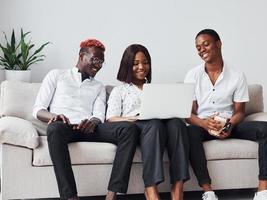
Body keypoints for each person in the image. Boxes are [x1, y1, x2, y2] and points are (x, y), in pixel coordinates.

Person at [33, 39, 139, 200]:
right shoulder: (57, 75)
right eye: (95, 59)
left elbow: (98, 114)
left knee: (129, 129)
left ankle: (112, 194)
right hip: (65, 126)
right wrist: (54, 117)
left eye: (101, 62)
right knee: (54, 129)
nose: (98, 65)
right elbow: (38, 109)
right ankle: (71, 196)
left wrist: (94, 121)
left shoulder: (98, 86)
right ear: (82, 55)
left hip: (91, 128)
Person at [184, 29, 267, 200]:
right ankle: (208, 192)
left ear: (218, 44)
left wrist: (229, 124)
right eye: (198, 47)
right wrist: (205, 123)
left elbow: (240, 112)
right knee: (188, 133)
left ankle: (263, 191)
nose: (201, 50)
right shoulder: (192, 75)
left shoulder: (237, 75)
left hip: (230, 124)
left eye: (206, 44)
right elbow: (188, 113)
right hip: (204, 125)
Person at [106, 44, 190, 200]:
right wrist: (134, 117)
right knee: (154, 124)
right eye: (135, 63)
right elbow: (111, 118)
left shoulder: (156, 89)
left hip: (159, 125)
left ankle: (178, 187)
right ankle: (150, 188)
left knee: (177, 123)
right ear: (127, 65)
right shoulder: (120, 90)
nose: (141, 67)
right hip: (136, 127)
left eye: (145, 62)